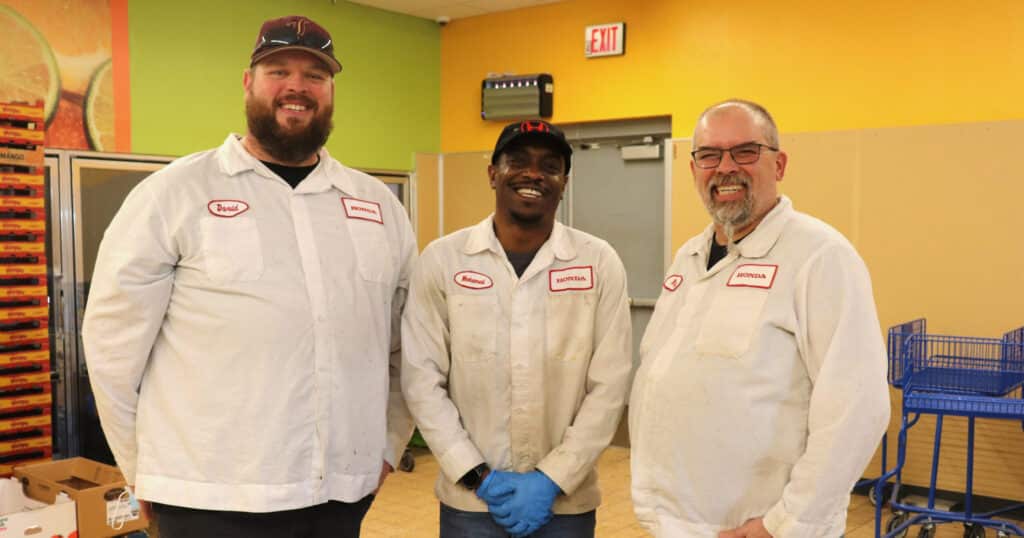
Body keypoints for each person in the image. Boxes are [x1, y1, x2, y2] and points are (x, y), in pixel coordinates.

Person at [81, 15, 416, 538]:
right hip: (207, 494)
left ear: (331, 90)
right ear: (248, 82)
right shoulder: (174, 193)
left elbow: (404, 345)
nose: (296, 88)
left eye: (316, 76)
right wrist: (140, 467)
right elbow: (111, 347)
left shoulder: (376, 205)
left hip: (337, 493)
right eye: (278, 70)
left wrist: (389, 446)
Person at [629, 99, 890, 538]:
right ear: (694, 168)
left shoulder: (820, 255)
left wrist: (784, 523)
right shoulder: (688, 258)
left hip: (759, 529)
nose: (725, 167)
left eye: (745, 152)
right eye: (709, 155)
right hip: (677, 523)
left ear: (779, 164)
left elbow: (857, 407)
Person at [401, 120, 632, 537]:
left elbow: (611, 385)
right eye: (518, 162)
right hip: (470, 504)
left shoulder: (598, 262)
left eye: (550, 166)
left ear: (564, 181)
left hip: (566, 504)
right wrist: (476, 475)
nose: (533, 174)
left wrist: (553, 478)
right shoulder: (443, 261)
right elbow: (421, 379)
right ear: (493, 173)